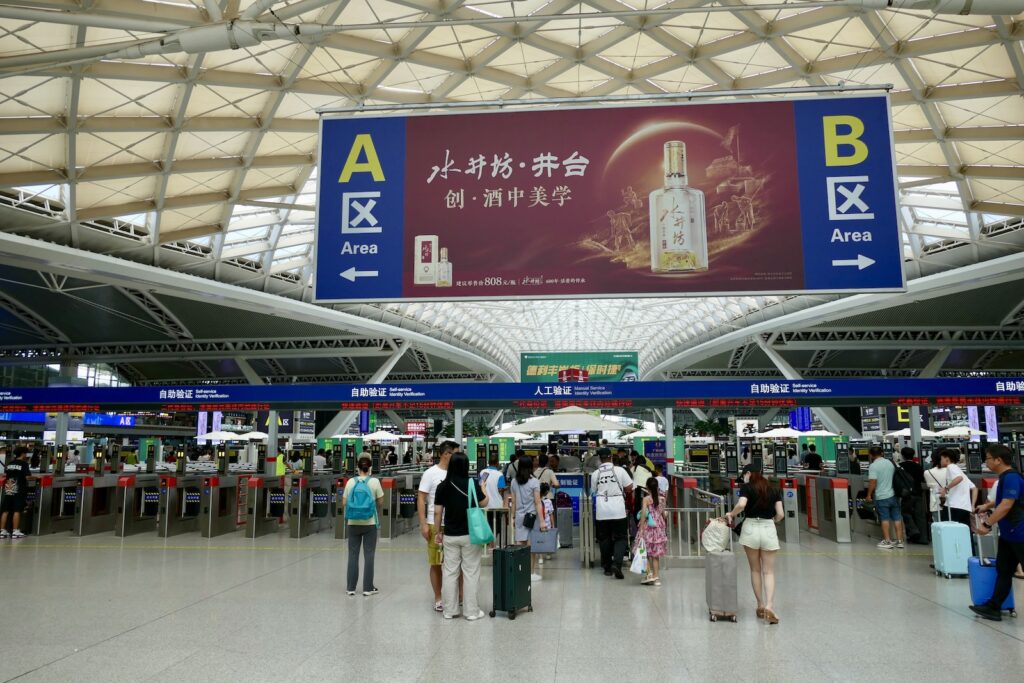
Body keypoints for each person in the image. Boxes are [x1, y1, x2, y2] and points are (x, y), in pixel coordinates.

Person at [969, 444, 1024, 621]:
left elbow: (1007, 504)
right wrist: (987, 505)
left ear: (999, 460)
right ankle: (994, 607)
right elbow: (1004, 500)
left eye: (988, 458)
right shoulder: (1004, 478)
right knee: (1004, 570)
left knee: (1006, 570)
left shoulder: (1012, 477)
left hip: (1019, 533)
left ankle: (994, 605)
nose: (986, 462)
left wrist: (987, 524)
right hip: (1009, 534)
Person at [433, 453, 489, 620]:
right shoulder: (472, 483)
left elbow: (437, 512)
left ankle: (449, 610)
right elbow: (484, 503)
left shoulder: (442, 486)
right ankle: (471, 612)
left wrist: (438, 532)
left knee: (450, 572)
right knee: (470, 572)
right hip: (470, 535)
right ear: (466, 466)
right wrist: (483, 487)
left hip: (450, 535)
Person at [725, 464, 783, 624]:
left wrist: (731, 513)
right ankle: (770, 606)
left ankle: (760, 605)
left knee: (755, 570)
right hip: (768, 528)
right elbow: (781, 514)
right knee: (769, 572)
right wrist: (772, 521)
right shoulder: (773, 489)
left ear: (749, 473)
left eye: (744, 474)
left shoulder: (747, 488)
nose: (744, 477)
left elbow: (742, 504)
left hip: (750, 528)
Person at [418, 440, 456, 612]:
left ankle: (458, 596)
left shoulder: (457, 473)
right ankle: (438, 597)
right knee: (436, 563)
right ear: (445, 454)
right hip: (435, 525)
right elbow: (421, 498)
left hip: (455, 523)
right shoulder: (430, 473)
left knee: (457, 563)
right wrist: (423, 524)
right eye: (454, 453)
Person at [342, 454, 384, 597]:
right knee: (369, 555)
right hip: (369, 523)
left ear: (357, 467)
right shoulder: (374, 482)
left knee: (353, 555)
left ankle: (351, 588)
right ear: (370, 467)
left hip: (353, 523)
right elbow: (380, 502)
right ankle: (367, 588)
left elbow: (343, 502)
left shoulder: (350, 482)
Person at [592, 448, 634, 579]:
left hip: (602, 510)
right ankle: (617, 563)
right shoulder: (620, 470)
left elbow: (594, 490)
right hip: (618, 510)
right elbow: (629, 488)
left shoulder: (595, 473)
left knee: (604, 539)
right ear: (610, 457)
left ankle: (607, 567)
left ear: (600, 459)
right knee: (620, 538)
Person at [509, 455, 545, 582]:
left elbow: (513, 502)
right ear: (530, 466)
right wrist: (542, 521)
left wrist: (513, 517)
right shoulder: (534, 482)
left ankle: (519, 572)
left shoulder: (514, 481)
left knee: (519, 544)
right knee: (531, 546)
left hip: (519, 516)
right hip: (531, 517)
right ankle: (530, 572)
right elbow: (537, 502)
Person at [865, 446, 904, 549]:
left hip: (881, 496)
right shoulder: (891, 462)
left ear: (871, 455)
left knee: (884, 518)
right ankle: (900, 541)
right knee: (897, 517)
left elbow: (873, 481)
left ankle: (887, 541)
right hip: (894, 495)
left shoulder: (873, 466)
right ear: (882, 453)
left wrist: (869, 494)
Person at [635, 476, 668, 586]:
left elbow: (644, 513)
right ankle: (656, 578)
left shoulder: (646, 499)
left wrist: (641, 528)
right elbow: (663, 514)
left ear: (647, 487)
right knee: (655, 554)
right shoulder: (662, 499)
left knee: (644, 551)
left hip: (648, 527)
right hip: (658, 527)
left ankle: (648, 574)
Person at [938, 448, 976, 525]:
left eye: (941, 459)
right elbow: (974, 488)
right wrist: (972, 505)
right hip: (965, 508)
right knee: (964, 533)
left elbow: (959, 478)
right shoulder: (960, 471)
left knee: (948, 532)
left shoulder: (951, 467)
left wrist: (946, 488)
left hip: (953, 506)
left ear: (947, 459)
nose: (940, 461)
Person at [0, 446, 31, 539]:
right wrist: (36, 478)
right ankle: (15, 531)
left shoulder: (10, 463)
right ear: (22, 454)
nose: (26, 455)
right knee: (17, 510)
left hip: (9, 487)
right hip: (19, 488)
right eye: (26, 453)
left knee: (5, 510)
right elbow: (27, 477)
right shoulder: (24, 464)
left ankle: (2, 531)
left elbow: (6, 474)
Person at [478, 452, 508, 547]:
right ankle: (492, 544)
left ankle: (487, 544)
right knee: (496, 525)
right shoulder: (499, 474)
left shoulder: (483, 472)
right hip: (496, 504)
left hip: (484, 504)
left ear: (488, 462)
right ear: (498, 463)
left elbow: (480, 485)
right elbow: (500, 489)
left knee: (486, 524)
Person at [899, 447, 925, 543]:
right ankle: (923, 538)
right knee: (920, 515)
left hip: (907, 494)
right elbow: (922, 479)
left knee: (905, 512)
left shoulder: (900, 466)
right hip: (918, 492)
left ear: (902, 455)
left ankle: (913, 532)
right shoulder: (918, 466)